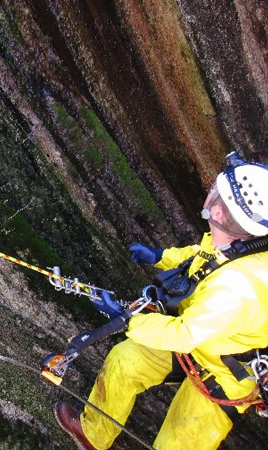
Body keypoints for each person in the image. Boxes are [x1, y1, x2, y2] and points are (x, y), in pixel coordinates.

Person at [53, 152, 268, 450]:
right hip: (199, 345)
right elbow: (201, 259)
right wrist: (160, 257)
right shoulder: (240, 245)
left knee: (177, 442)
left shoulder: (239, 287)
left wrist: (128, 318)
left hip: (225, 371)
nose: (209, 191)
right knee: (124, 361)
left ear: (218, 213)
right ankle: (94, 434)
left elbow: (183, 333)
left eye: (214, 191)